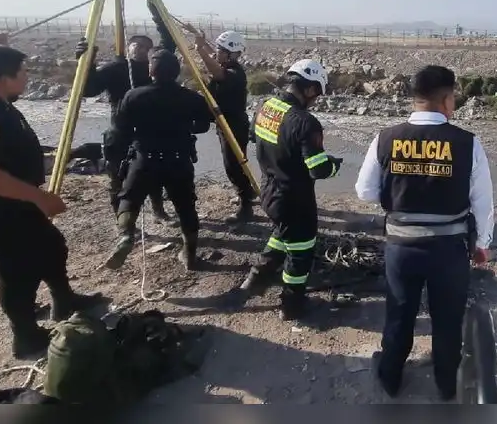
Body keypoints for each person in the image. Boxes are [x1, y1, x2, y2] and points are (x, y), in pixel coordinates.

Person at [0, 45, 104, 359]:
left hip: (15, 202)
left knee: (52, 246)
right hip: (0, 206)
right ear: (3, 78)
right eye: (23, 72)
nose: (28, 77)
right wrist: (39, 197)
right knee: (17, 273)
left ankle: (64, 300)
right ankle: (26, 336)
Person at [354, 64, 495, 401]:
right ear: (446, 100)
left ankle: (390, 377)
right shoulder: (467, 143)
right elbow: (483, 202)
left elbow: (364, 190)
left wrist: (399, 199)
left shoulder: (386, 137)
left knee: (399, 312)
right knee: (448, 320)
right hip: (449, 249)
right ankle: (447, 385)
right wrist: (483, 244)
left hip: (401, 246)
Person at [235, 59, 342, 320]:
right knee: (301, 253)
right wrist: (334, 166)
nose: (316, 99)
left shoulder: (266, 106)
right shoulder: (306, 122)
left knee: (282, 233)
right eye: (317, 93)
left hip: (269, 191)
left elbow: (253, 136)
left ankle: (256, 278)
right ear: (309, 89)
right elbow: (318, 169)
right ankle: (291, 305)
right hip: (295, 200)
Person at [103, 49, 216, 271]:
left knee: (129, 199)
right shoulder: (192, 98)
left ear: (151, 71)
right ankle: (189, 255)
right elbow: (204, 124)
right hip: (178, 160)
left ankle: (126, 236)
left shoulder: (133, 96)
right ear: (176, 72)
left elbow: (121, 130)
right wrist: (185, 128)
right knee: (185, 207)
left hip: (144, 159)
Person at [76, 0, 176, 223]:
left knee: (155, 175)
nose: (140, 48)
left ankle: (159, 210)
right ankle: (122, 220)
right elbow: (89, 90)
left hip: (151, 132)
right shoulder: (115, 68)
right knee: (117, 177)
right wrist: (87, 61)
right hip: (121, 131)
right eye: (136, 45)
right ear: (128, 47)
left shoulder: (157, 68)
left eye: (146, 46)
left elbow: (169, 39)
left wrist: (157, 11)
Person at [189, 25, 258, 224]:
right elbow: (216, 57)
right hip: (224, 123)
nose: (216, 53)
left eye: (220, 50)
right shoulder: (228, 64)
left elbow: (218, 74)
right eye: (217, 50)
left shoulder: (235, 73)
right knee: (234, 164)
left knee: (234, 166)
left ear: (231, 54)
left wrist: (200, 49)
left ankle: (246, 205)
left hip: (234, 125)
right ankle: (247, 194)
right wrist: (202, 42)